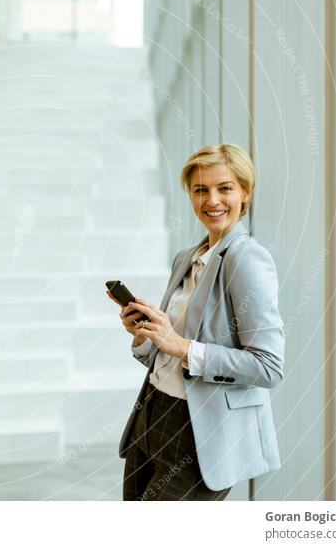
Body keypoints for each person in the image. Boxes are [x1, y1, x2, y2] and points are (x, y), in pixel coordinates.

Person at [107, 143, 284, 501]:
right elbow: (165, 351)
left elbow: (268, 367)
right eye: (200, 189)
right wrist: (145, 334)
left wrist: (182, 346)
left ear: (246, 192)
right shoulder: (188, 258)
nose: (212, 200)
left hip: (199, 433)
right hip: (152, 412)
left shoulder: (246, 259)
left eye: (225, 188)